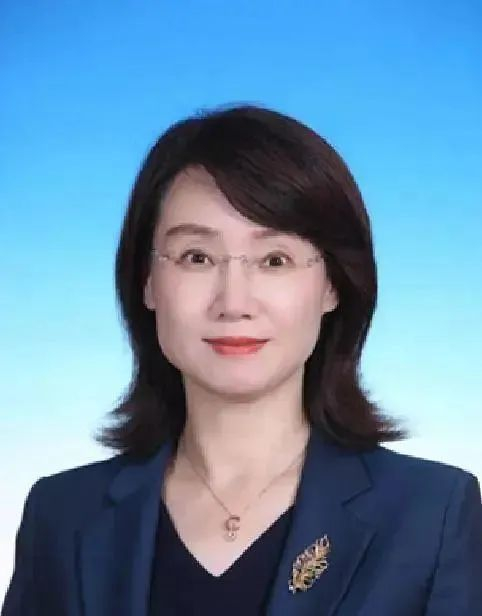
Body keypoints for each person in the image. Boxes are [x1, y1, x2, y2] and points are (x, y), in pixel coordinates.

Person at [2, 104, 482, 616]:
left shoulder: (431, 514)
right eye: (197, 257)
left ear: (333, 285)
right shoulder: (63, 516)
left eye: (274, 260)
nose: (233, 302)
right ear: (147, 281)